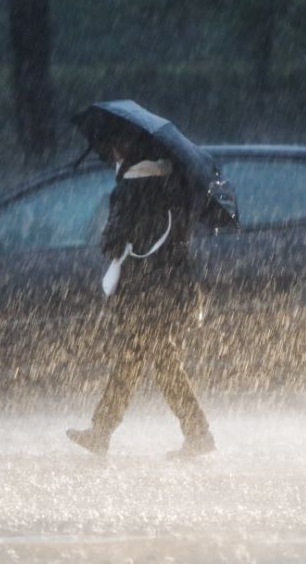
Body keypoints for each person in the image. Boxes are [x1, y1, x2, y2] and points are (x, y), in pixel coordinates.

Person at [66, 142, 215, 459]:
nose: (115, 156)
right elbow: (181, 237)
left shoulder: (130, 189)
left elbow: (113, 242)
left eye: (119, 150)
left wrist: (111, 237)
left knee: (157, 361)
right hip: (174, 287)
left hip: (143, 291)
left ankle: (196, 432)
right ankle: (103, 431)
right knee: (140, 357)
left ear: (131, 154)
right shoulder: (174, 184)